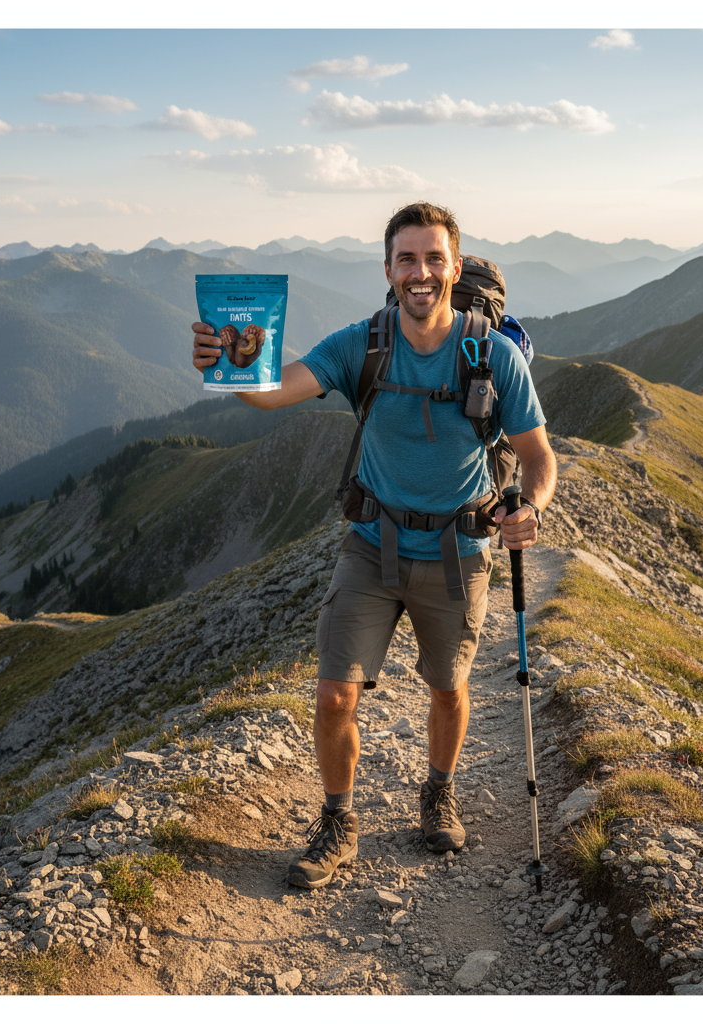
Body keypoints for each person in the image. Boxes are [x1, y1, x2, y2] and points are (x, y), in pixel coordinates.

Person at [192, 201, 557, 889]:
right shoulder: (362, 345)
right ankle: (338, 821)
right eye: (406, 260)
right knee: (334, 696)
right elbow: (274, 391)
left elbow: (539, 457)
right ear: (388, 269)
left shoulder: (495, 356)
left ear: (452, 265)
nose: (420, 273)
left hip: (459, 551)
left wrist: (530, 508)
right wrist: (227, 368)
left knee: (447, 688)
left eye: (433, 259)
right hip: (370, 545)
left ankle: (437, 792)